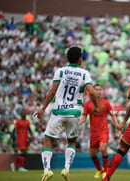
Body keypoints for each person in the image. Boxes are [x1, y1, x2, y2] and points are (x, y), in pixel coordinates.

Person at [35, 46, 99, 181]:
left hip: (58, 111)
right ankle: (66, 169)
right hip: (74, 113)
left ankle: (47, 171)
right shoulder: (84, 74)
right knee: (72, 142)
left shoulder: (60, 72)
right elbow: (92, 92)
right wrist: (97, 106)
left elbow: (52, 92)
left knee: (48, 139)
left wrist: (43, 108)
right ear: (80, 58)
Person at [80, 84, 118, 179]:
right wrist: (79, 123)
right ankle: (99, 169)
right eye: (96, 89)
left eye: (100, 89)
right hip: (93, 133)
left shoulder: (106, 103)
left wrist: (117, 125)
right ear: (92, 91)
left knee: (103, 148)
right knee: (92, 154)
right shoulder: (88, 104)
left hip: (103, 131)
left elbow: (112, 115)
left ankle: (106, 170)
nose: (98, 91)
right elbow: (84, 116)